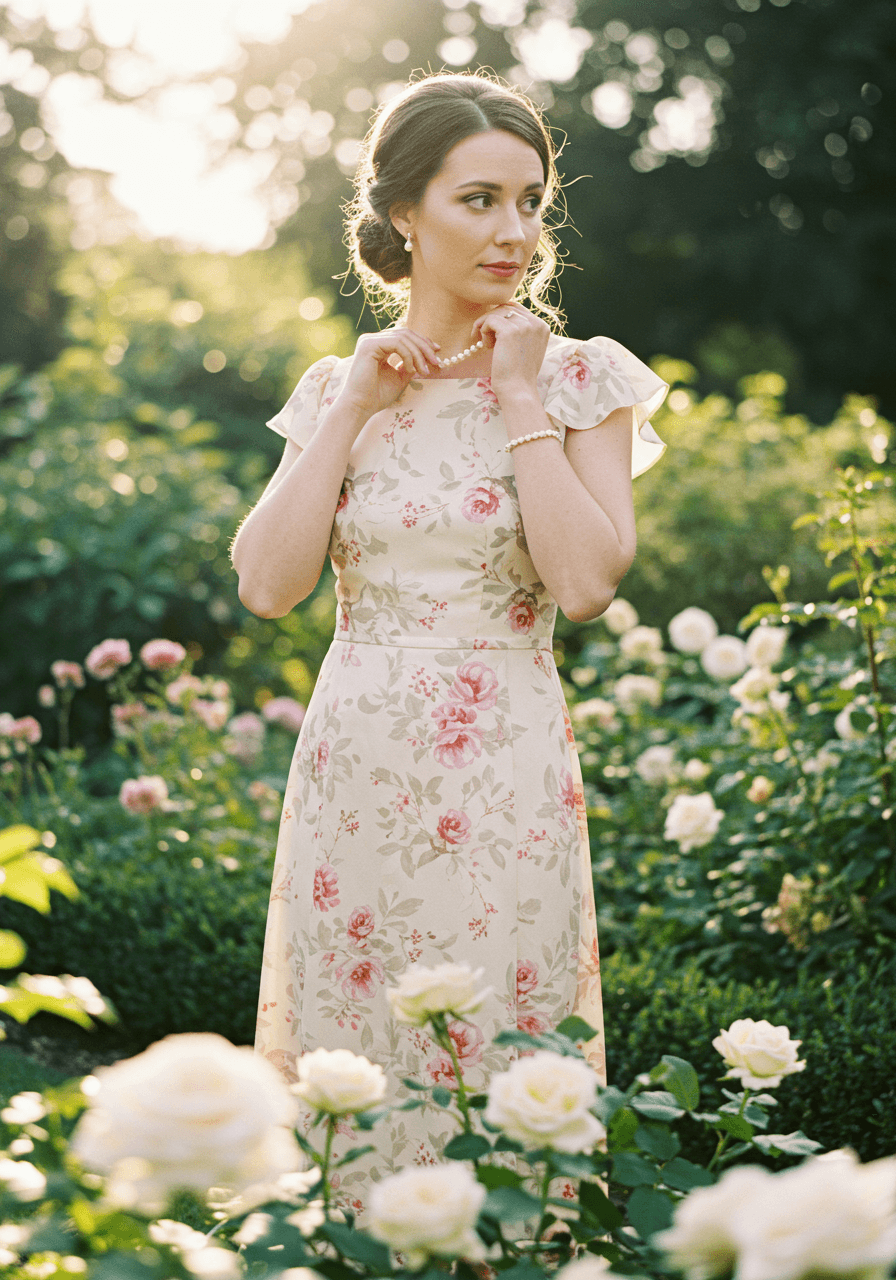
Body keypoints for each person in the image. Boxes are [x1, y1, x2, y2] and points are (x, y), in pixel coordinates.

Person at [231, 71, 667, 1216]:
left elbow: (583, 583)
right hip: (354, 771)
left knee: (495, 1032)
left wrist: (521, 398)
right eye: (479, 199)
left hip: (505, 767)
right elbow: (267, 584)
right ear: (403, 215)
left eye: (530, 201)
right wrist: (349, 411)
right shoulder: (339, 383)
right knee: (355, 1038)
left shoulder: (582, 379)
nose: (513, 231)